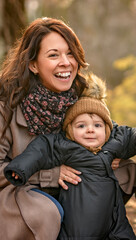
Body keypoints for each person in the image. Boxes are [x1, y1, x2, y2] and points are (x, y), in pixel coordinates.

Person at [4, 74, 136, 239]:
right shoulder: (65, 145)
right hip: (79, 224)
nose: (90, 130)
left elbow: (131, 136)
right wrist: (20, 168)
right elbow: (41, 150)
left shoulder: (113, 139)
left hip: (115, 221)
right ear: (70, 130)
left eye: (97, 125)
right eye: (81, 126)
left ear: (106, 129)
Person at [0, 17, 89, 240]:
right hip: (16, 193)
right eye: (53, 55)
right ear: (33, 65)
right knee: (47, 213)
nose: (66, 62)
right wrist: (49, 175)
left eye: (70, 53)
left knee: (124, 173)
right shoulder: (6, 106)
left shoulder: (81, 101)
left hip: (66, 186)